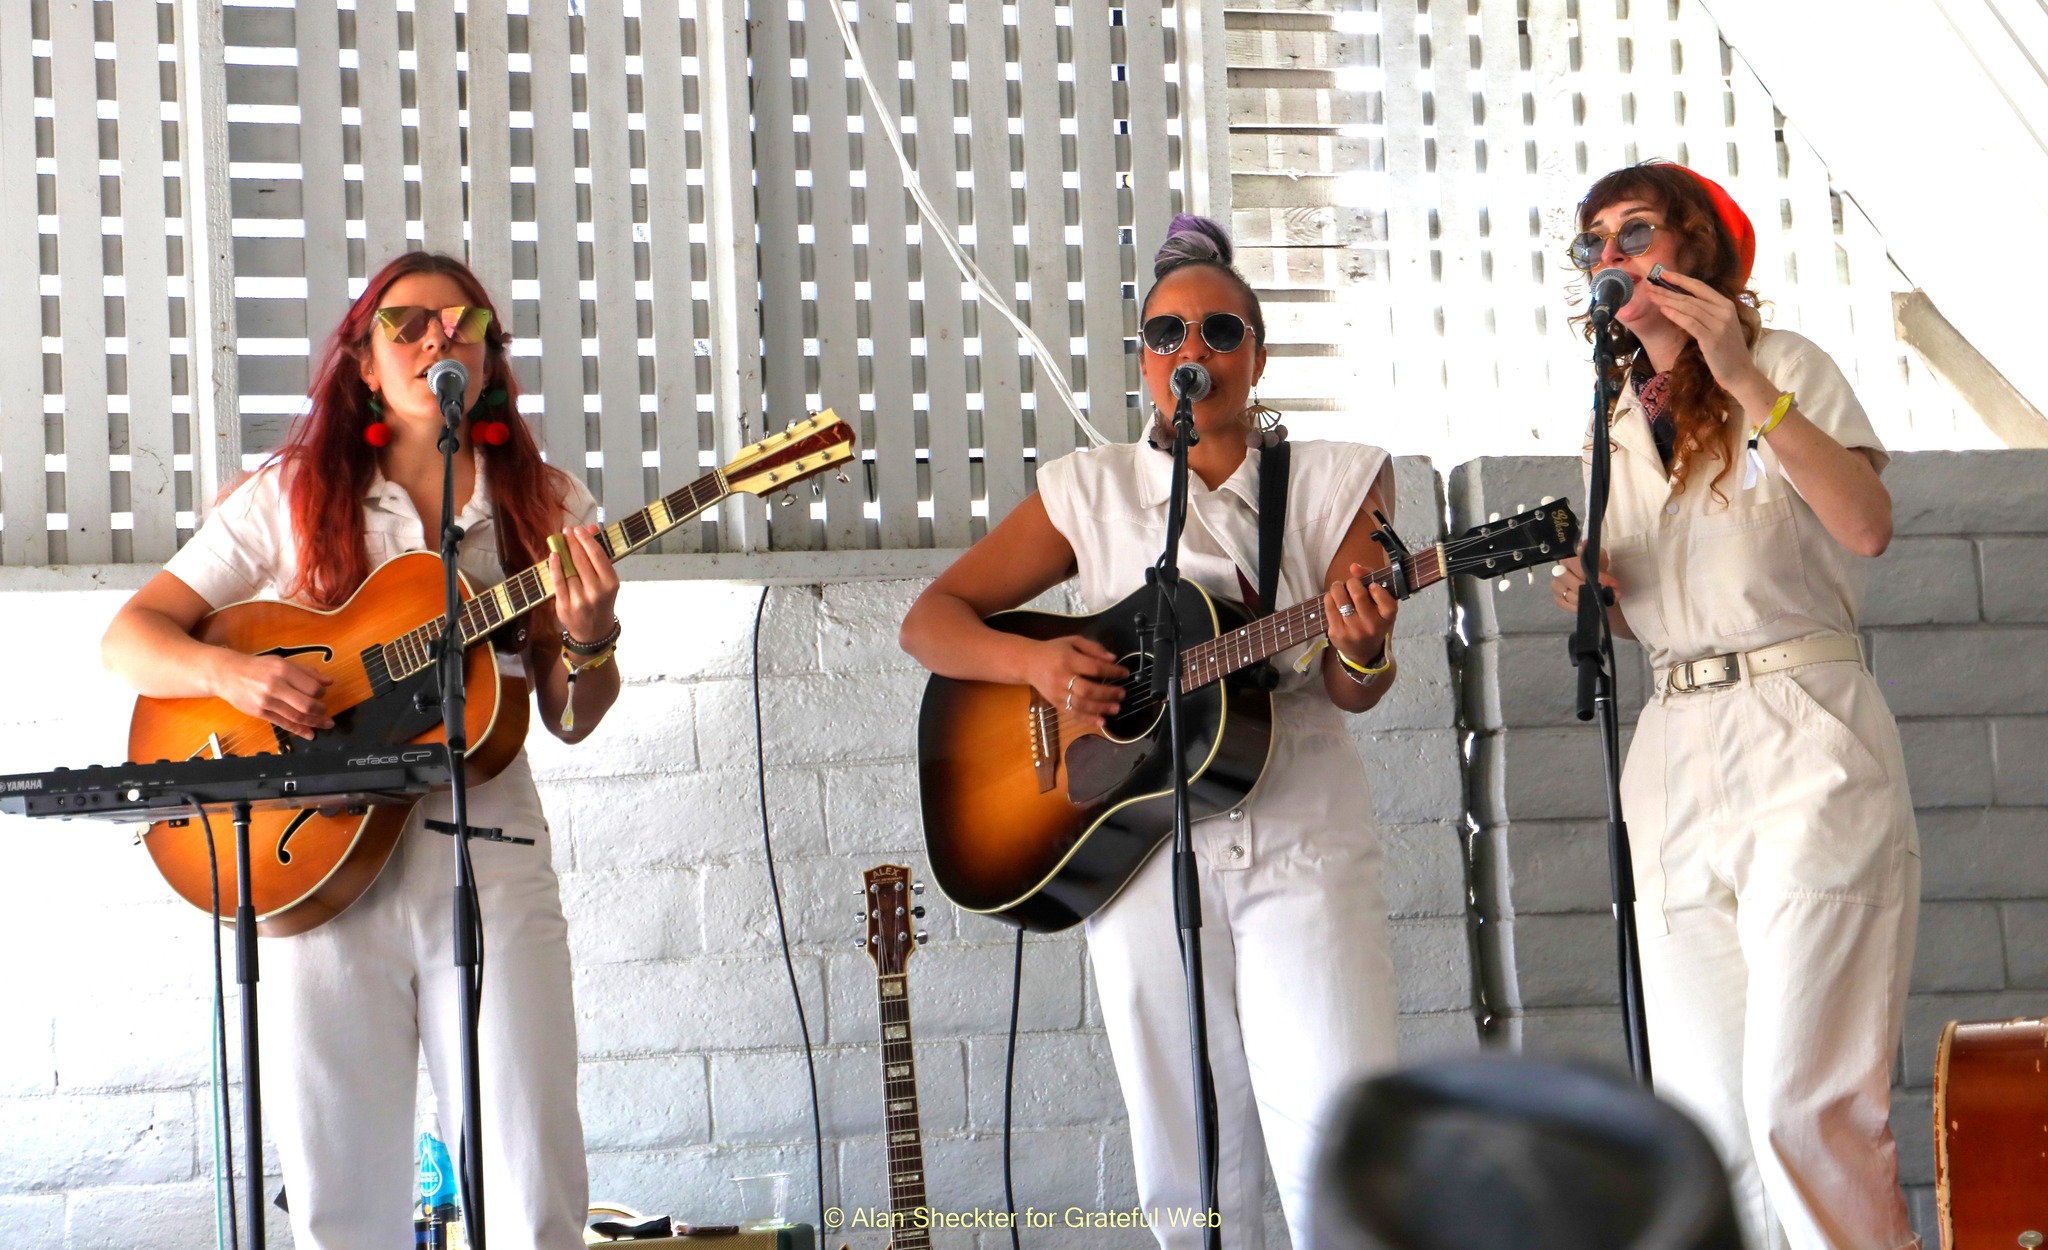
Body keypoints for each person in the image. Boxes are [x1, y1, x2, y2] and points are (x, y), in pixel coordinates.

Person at [899, 215, 1402, 1250]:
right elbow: (931, 620)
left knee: (1335, 1123)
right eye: (1166, 335)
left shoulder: (1336, 477)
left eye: (1219, 332)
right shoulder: (1090, 486)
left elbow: (1355, 683)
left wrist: (1359, 649)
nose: (1192, 353)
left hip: (1299, 830)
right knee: (1185, 1158)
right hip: (1134, 846)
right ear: (1144, 360)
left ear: (1255, 355)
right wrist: (1037, 664)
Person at [102, 252, 619, 1249]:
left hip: (490, 862)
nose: (439, 337)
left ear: (491, 359)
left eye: (463, 321)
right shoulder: (288, 497)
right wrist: (235, 677)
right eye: (408, 323)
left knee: (532, 1186)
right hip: (317, 867)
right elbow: (133, 636)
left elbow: (569, 710)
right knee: (342, 1204)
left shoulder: (545, 505)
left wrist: (590, 635)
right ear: (363, 365)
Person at [1552, 162, 1918, 1249]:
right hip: (1672, 748)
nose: (1609, 257)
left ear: (1698, 251)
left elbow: (1863, 526)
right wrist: (1601, 598)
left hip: (1801, 725)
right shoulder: (1608, 418)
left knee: (1798, 1104)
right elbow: (1669, 597)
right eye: (1593, 245)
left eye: (1633, 232)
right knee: (1709, 1117)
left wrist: (1741, 377)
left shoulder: (1785, 364)